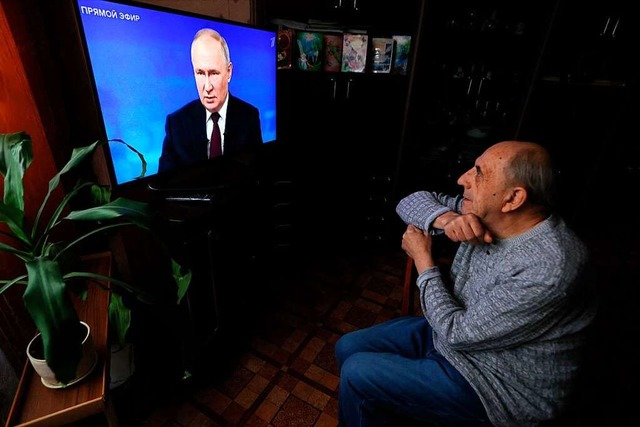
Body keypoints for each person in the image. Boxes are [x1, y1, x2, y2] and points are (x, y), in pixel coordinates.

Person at [334, 140, 598, 426]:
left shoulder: (550, 267)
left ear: (513, 199)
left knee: (358, 373)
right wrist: (445, 219)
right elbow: (409, 201)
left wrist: (424, 261)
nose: (463, 179)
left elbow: (456, 332)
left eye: (479, 173)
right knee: (347, 346)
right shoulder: (490, 212)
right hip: (451, 337)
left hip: (494, 385)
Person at [158, 28, 263, 173]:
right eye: (200, 73)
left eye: (214, 73)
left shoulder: (249, 116)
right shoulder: (176, 124)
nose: (207, 87)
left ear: (229, 72)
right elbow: (163, 184)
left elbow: (257, 174)